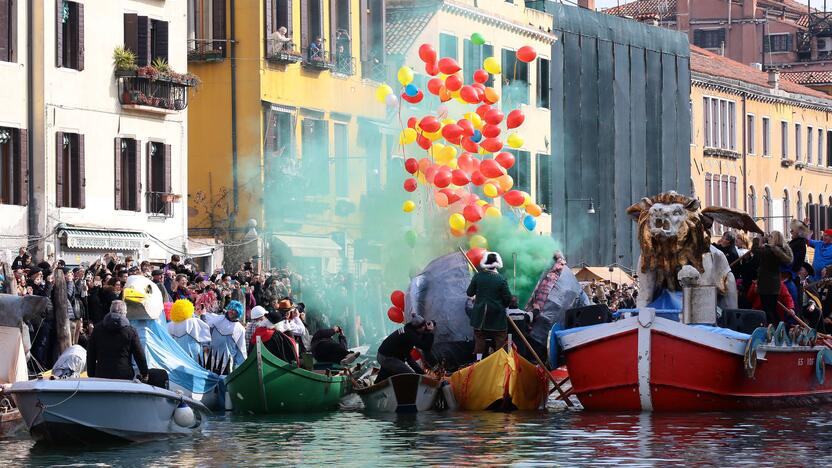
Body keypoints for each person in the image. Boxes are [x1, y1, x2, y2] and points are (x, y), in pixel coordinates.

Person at [87, 300, 149, 381]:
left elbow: (91, 353)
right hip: (124, 375)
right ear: (124, 313)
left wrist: (91, 374)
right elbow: (139, 355)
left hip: (101, 374)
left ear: (110, 311)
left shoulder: (97, 329)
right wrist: (144, 373)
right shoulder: (130, 331)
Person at [467, 252, 512, 359]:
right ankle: (498, 362)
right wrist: (503, 306)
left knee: (479, 340)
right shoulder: (501, 279)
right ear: (497, 264)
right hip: (497, 317)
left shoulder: (478, 277)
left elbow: (469, 293)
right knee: (500, 340)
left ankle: (478, 361)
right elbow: (508, 298)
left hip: (480, 317)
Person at [752, 231, 794, 326]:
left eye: (770, 236)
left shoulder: (769, 251)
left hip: (765, 283)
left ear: (774, 238)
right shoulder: (779, 251)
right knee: (772, 308)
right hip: (775, 283)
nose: (769, 237)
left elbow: (755, 251)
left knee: (767, 309)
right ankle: (778, 328)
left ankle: (773, 329)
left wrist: (757, 239)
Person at [376, 314, 434, 380]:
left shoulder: (408, 329)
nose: (425, 328)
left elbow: (408, 357)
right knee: (411, 377)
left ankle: (376, 386)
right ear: (418, 328)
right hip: (387, 358)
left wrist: (422, 373)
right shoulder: (410, 335)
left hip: (384, 355)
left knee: (387, 373)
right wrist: (429, 331)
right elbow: (426, 347)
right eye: (424, 326)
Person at [204, 300, 247, 373]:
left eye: (234, 310)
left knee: (224, 380)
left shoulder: (240, 329)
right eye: (230, 309)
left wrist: (238, 365)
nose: (231, 311)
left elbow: (241, 348)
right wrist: (206, 344)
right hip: (212, 355)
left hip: (227, 360)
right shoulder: (218, 319)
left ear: (238, 313)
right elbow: (207, 331)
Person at [167, 299, 211, 364]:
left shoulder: (170, 325)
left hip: (178, 353)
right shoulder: (193, 321)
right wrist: (202, 315)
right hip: (193, 352)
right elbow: (204, 330)